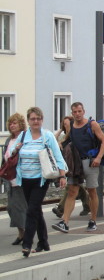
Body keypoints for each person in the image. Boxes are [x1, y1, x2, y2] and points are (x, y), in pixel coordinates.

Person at [15, 107, 67, 257]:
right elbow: (11, 153)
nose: (35, 121)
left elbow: (58, 156)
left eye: (38, 119)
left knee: (31, 211)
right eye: (32, 119)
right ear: (28, 121)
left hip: (41, 179)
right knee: (36, 210)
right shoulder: (23, 136)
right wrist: (15, 149)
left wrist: (62, 176)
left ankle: (26, 244)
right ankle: (43, 242)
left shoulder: (47, 136)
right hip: (25, 178)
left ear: (42, 120)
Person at [53, 102, 104, 234]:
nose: (77, 114)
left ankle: (93, 221)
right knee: (72, 191)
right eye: (74, 112)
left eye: (79, 111)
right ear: (72, 113)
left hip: (90, 161)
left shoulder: (91, 124)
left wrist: (99, 157)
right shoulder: (72, 126)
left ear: (83, 111)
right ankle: (65, 222)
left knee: (92, 191)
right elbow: (67, 139)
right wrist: (60, 142)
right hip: (76, 163)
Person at [52, 116, 90, 218]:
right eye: (64, 124)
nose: (66, 126)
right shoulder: (64, 136)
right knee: (77, 187)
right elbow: (53, 139)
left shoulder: (73, 136)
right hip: (66, 165)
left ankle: (60, 209)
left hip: (75, 165)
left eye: (68, 124)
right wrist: (61, 129)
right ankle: (88, 205)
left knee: (71, 186)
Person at [2, 113, 27, 246]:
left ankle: (24, 234)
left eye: (15, 123)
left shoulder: (24, 138)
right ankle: (22, 232)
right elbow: (5, 159)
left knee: (20, 207)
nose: (12, 125)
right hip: (9, 178)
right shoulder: (8, 140)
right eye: (10, 123)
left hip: (21, 177)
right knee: (12, 208)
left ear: (21, 124)